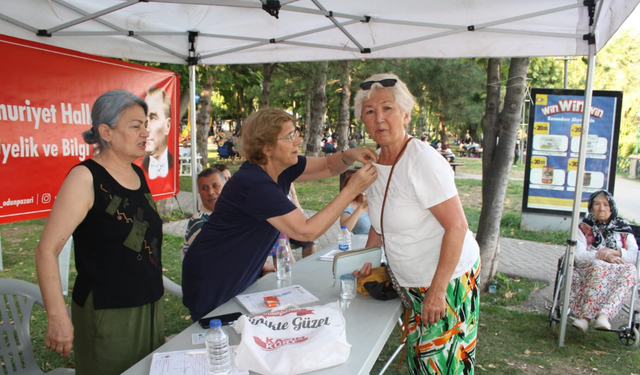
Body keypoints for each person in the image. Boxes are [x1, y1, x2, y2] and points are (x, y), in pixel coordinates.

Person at [182, 107, 378, 322]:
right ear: (267, 148)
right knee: (218, 339)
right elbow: (305, 231)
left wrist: (350, 155)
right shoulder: (254, 183)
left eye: (296, 133)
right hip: (213, 277)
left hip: (237, 274)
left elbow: (329, 166)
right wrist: (350, 190)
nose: (298, 140)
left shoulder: (280, 168)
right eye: (289, 136)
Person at [354, 73, 480, 374]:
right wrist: (367, 259)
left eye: (388, 108)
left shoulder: (422, 159)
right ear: (362, 119)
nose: (379, 118)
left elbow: (457, 227)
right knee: (420, 362)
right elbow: (380, 222)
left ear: (405, 115)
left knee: (443, 367)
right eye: (370, 111)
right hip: (413, 285)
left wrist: (437, 291)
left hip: (447, 283)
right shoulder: (374, 163)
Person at [35, 90, 164, 375]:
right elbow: (46, 250)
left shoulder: (137, 173)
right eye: (135, 125)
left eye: (145, 124)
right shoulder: (85, 177)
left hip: (150, 302)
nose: (145, 132)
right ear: (106, 131)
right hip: (109, 310)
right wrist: (57, 317)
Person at [570, 190, 638, 332]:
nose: (601, 208)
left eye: (606, 205)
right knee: (598, 266)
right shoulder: (584, 228)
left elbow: (634, 255)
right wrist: (604, 256)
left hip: (616, 272)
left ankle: (604, 315)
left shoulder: (623, 228)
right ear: (591, 207)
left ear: (612, 207)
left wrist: (616, 252)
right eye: (597, 204)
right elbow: (578, 255)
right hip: (590, 270)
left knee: (631, 271)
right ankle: (585, 318)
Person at [181, 168, 226, 260]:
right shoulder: (199, 224)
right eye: (204, 188)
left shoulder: (229, 214)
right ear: (199, 192)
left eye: (215, 186)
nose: (210, 192)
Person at [142, 87, 173, 179]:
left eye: (153, 118)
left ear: (167, 126)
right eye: (144, 119)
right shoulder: (138, 168)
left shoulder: (173, 163)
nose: (146, 128)